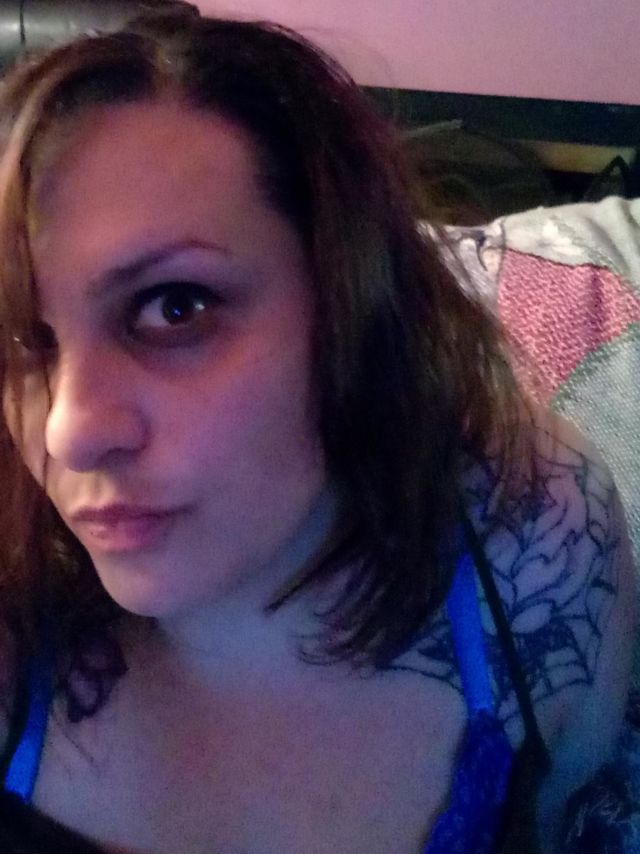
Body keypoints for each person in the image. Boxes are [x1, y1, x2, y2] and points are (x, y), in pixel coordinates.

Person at [0, 4, 634, 853]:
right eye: (23, 339)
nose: (71, 433)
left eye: (175, 307)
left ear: (353, 300)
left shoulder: (538, 535)